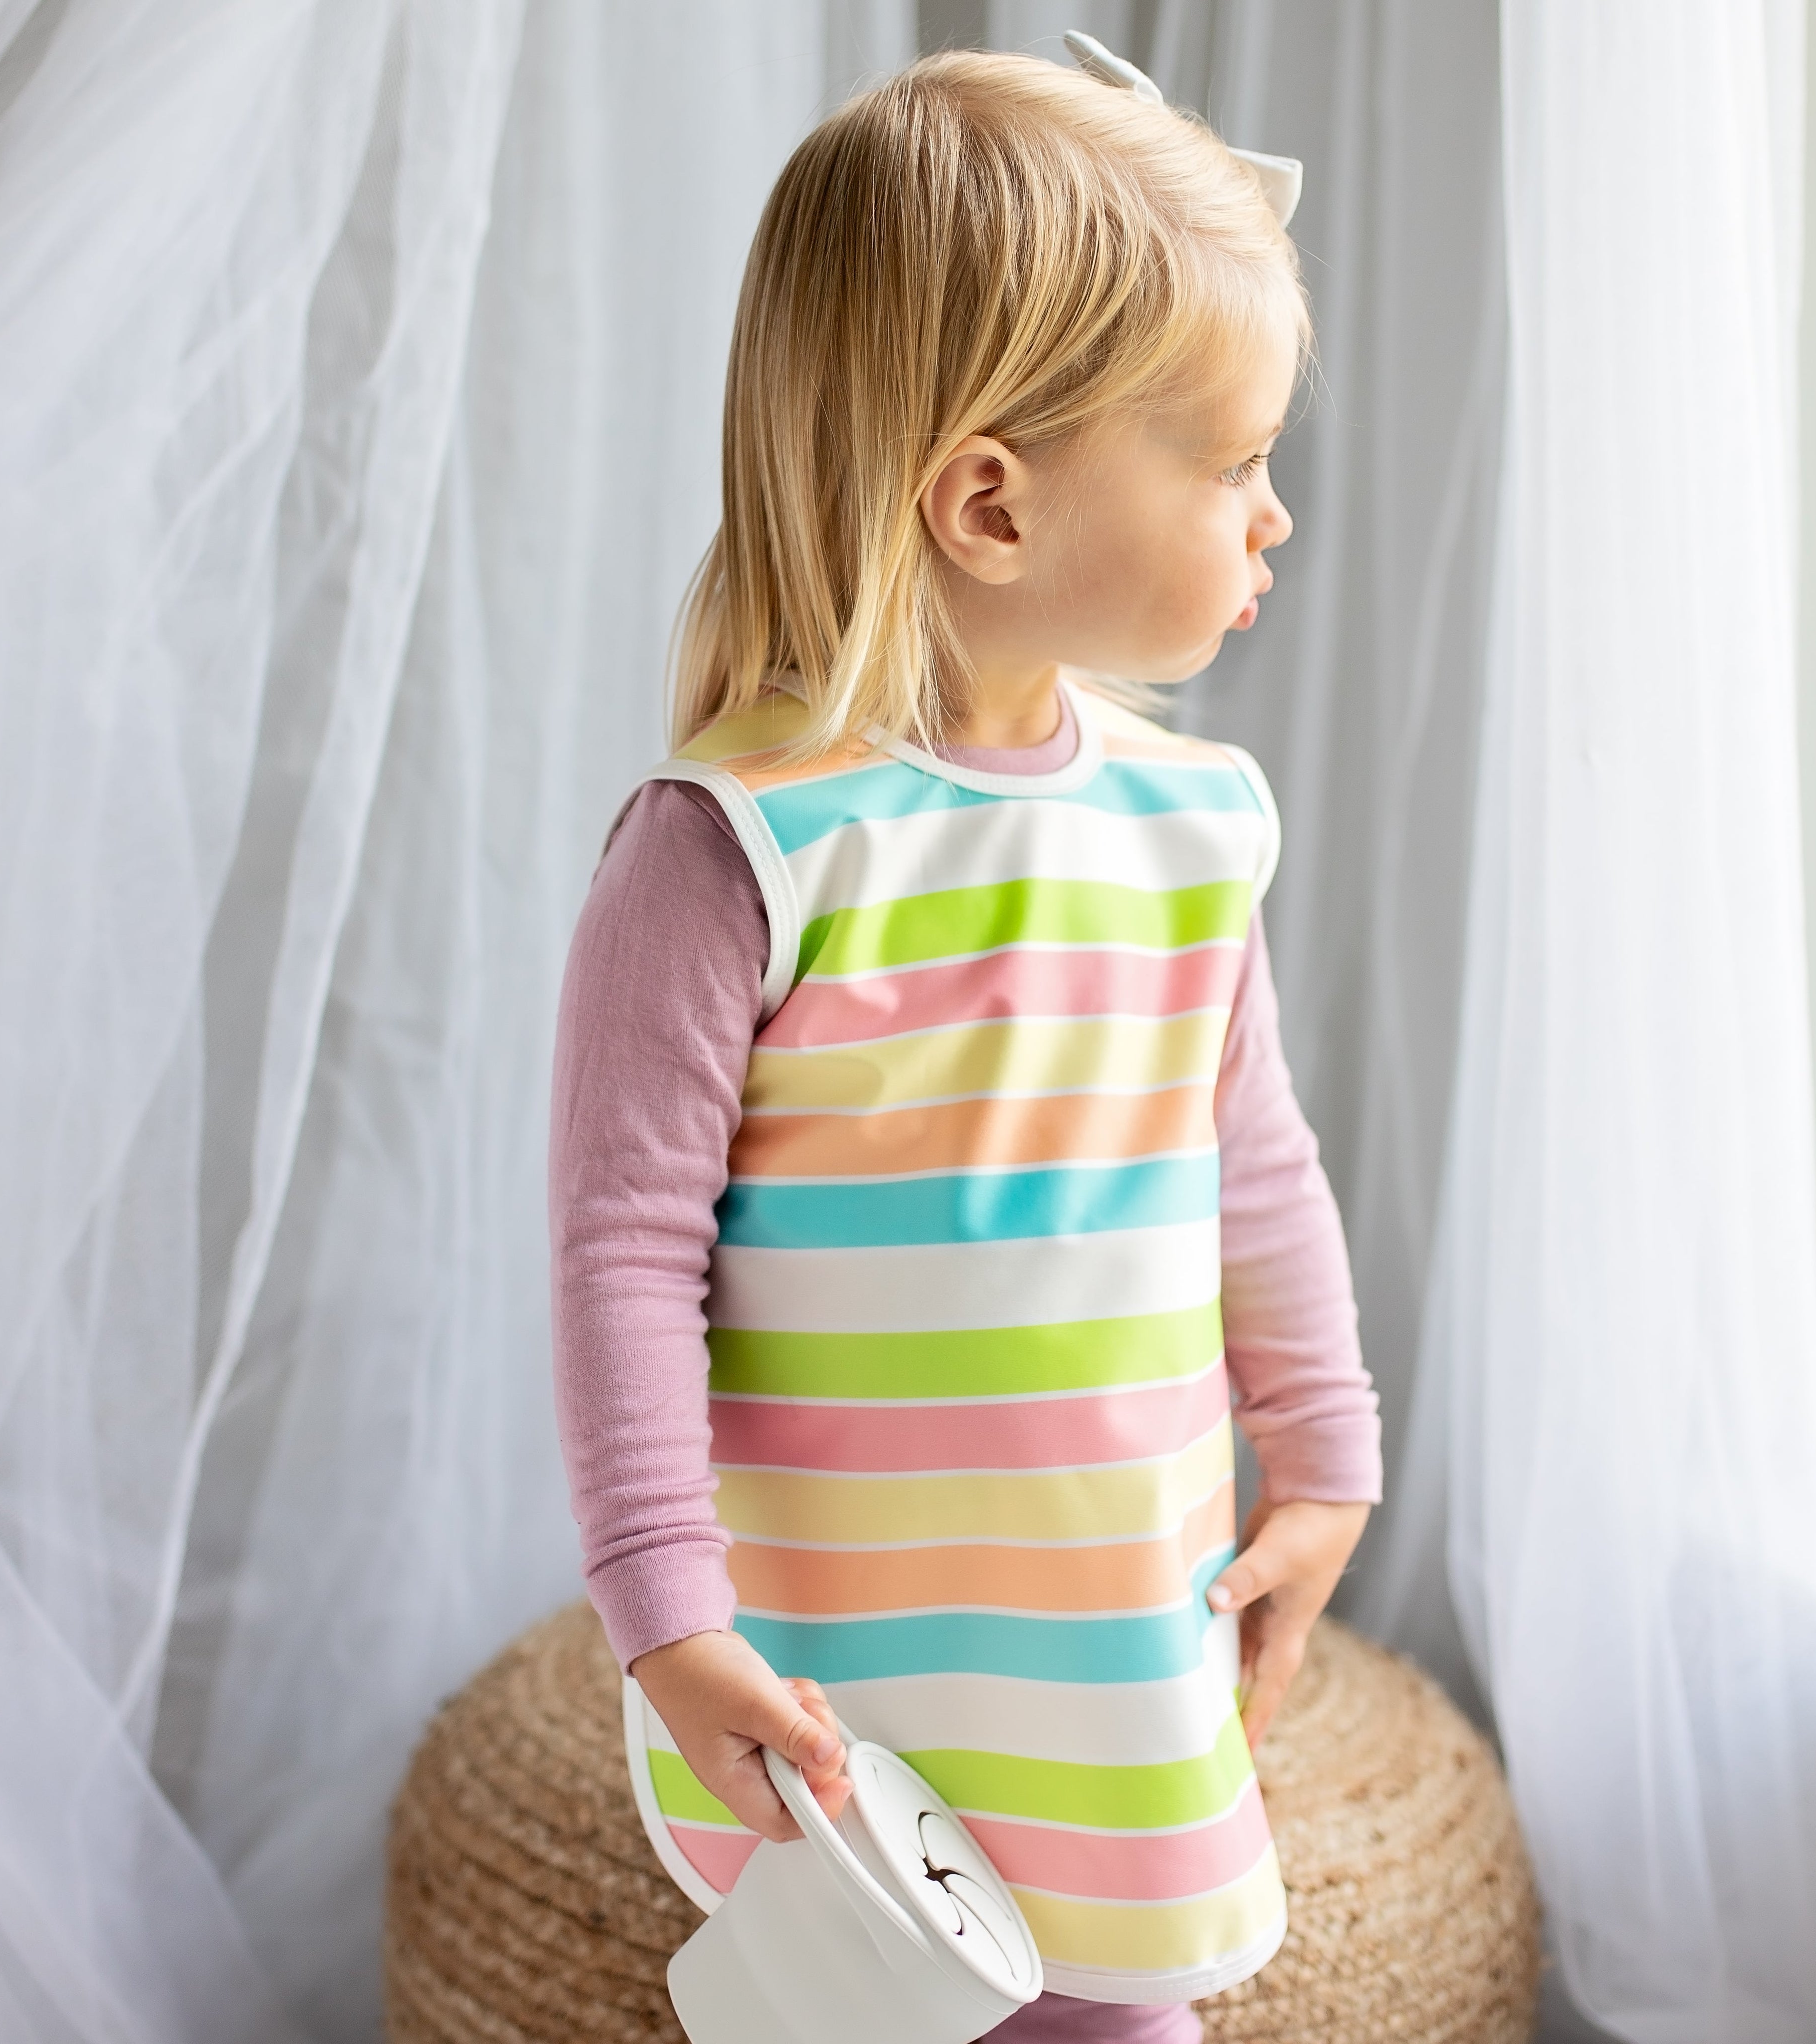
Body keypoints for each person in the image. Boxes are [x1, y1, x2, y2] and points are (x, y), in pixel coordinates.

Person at [551, 46, 1381, 2042]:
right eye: (1232, 462)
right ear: (991, 502)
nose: (1273, 515)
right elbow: (620, 1257)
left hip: (1109, 1643)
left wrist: (1328, 1448)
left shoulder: (1192, 827)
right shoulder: (736, 852)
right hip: (837, 1663)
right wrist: (662, 1612)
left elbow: (1253, 1161)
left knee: (1120, 2004)